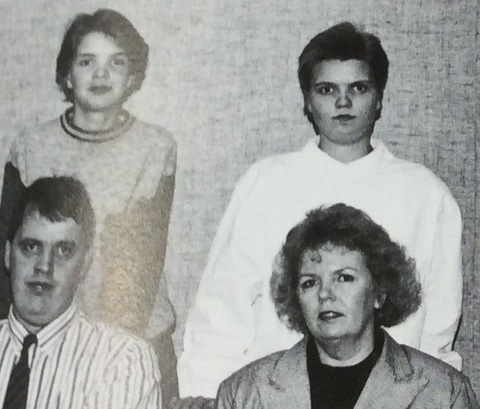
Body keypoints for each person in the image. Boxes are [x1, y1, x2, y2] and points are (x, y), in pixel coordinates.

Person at [177, 21, 463, 403]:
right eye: (327, 89)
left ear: (379, 98)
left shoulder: (425, 194)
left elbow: (438, 327)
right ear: (308, 102)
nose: (343, 102)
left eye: (358, 88)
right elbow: (221, 307)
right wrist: (203, 393)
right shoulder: (267, 182)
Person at [0, 9, 178, 404]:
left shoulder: (154, 148)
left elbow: (139, 269)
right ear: (67, 75)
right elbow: (9, 256)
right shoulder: (31, 145)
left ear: (132, 78)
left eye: (116, 63)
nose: (101, 74)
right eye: (86, 62)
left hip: (134, 336)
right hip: (42, 337)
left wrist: (100, 356)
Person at [216, 204, 478, 409]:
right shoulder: (243, 393)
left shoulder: (445, 393)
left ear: (379, 292)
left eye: (344, 278)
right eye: (310, 282)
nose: (325, 294)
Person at [0, 176, 162, 408]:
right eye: (31, 247)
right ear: (8, 255)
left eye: (63, 250)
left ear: (85, 264)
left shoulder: (121, 360)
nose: (44, 266)